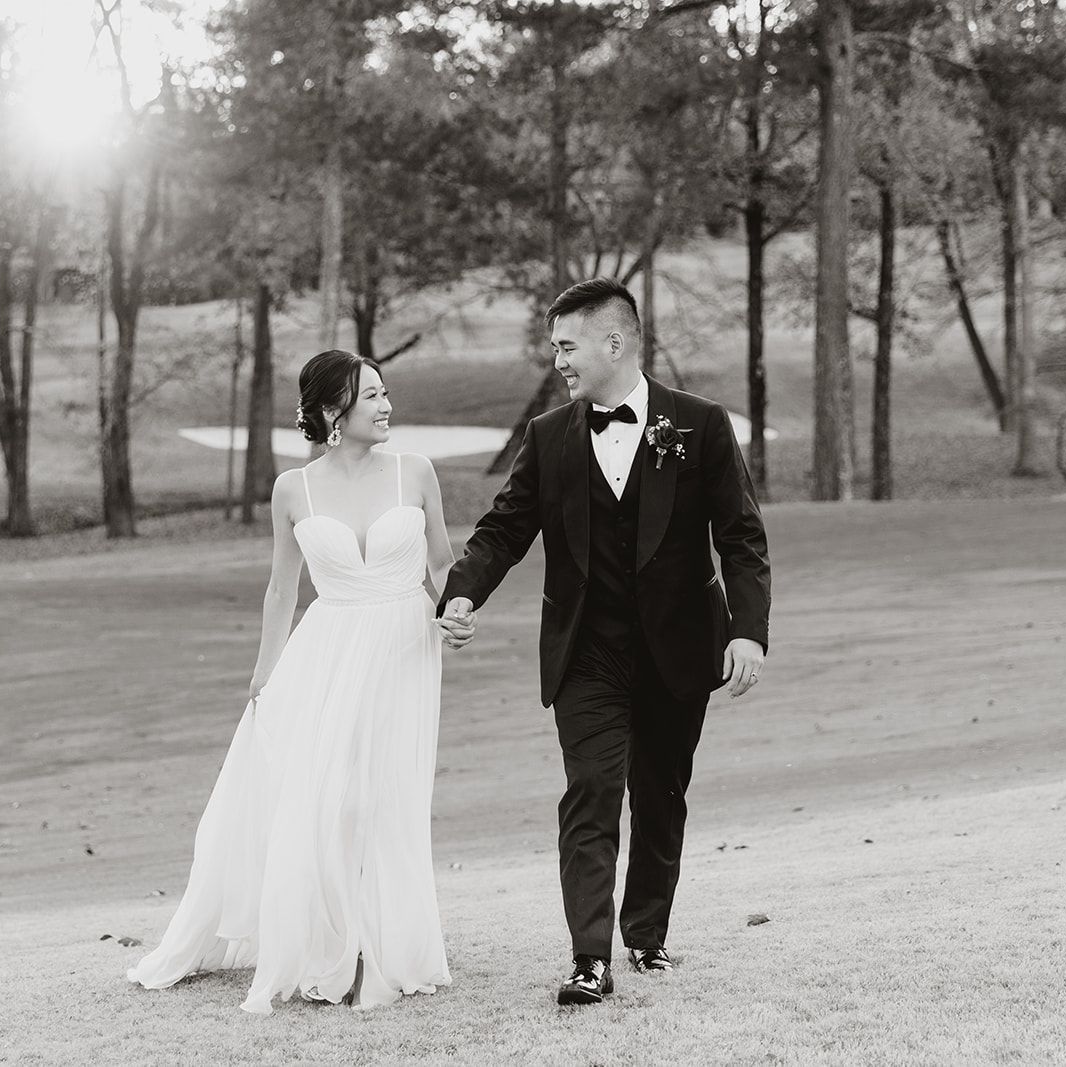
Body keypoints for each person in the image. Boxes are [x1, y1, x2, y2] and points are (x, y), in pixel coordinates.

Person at [438, 278, 772, 1006]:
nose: (557, 359)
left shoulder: (701, 425)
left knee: (661, 794)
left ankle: (646, 935)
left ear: (612, 342)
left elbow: (742, 538)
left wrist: (749, 632)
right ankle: (590, 958)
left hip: (680, 647)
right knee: (591, 792)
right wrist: (462, 588)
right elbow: (504, 529)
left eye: (566, 344)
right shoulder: (549, 437)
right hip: (586, 650)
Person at [127, 349, 457, 1015]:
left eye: (386, 393)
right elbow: (283, 587)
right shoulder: (292, 489)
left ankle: (383, 944)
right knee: (332, 796)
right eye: (372, 397)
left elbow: (445, 563)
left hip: (405, 645)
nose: (387, 406)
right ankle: (335, 941)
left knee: (386, 794)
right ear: (335, 410)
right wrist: (264, 672)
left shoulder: (414, 471)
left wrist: (457, 613)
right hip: (327, 649)